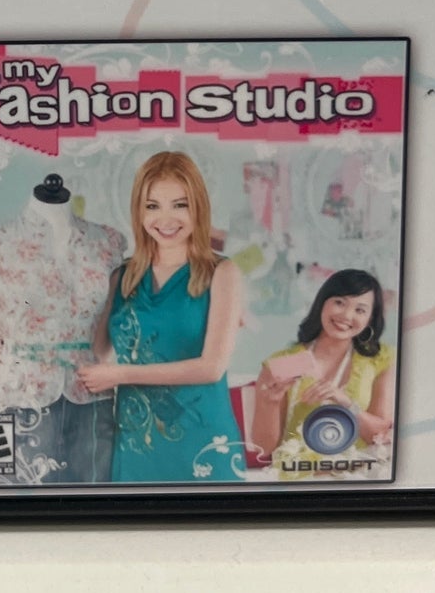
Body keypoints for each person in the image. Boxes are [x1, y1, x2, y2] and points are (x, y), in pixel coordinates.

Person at [77, 151, 246, 483]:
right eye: (152, 206)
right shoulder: (122, 276)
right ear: (138, 211)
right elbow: (93, 352)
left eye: (179, 205)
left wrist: (121, 374)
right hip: (136, 447)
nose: (165, 219)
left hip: (203, 444)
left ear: (198, 207)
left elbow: (211, 367)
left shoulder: (221, 272)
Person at [251, 268, 394, 464]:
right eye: (339, 302)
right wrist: (270, 404)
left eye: (360, 310)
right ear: (322, 303)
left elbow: (380, 435)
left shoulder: (380, 359)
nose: (346, 315)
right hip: (298, 472)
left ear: (370, 318)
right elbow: (264, 448)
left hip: (356, 471)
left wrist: (345, 403)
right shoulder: (284, 363)